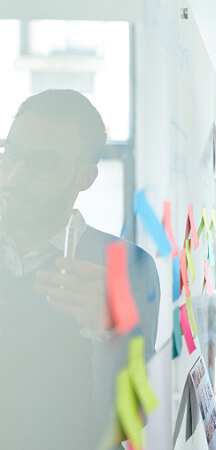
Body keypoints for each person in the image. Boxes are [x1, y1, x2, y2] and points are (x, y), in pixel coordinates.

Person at [0, 89, 159, 449]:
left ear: (84, 178)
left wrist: (111, 332)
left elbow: (130, 420)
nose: (14, 177)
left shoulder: (127, 266)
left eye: (41, 163)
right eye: (11, 156)